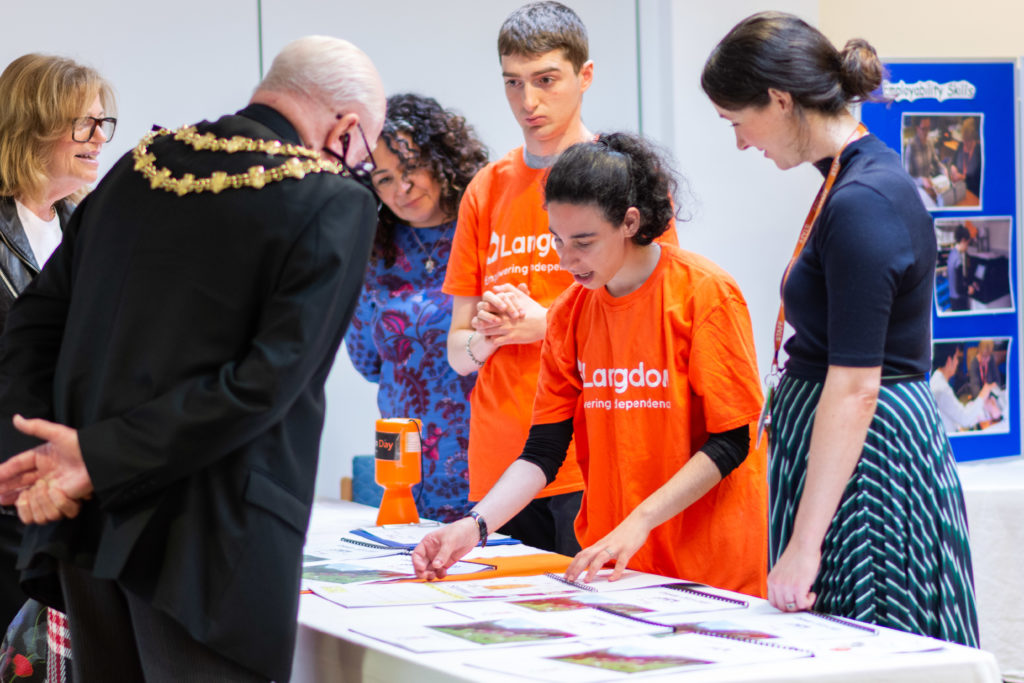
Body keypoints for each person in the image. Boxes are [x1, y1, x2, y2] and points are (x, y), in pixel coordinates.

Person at [0, 35, 385, 682]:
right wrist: (92, 458)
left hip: (88, 536)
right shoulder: (333, 202)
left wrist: (44, 453)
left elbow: (33, 321)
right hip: (212, 546)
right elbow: (264, 385)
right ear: (346, 129)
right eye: (365, 154)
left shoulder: (139, 168)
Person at [702, 11, 979, 646]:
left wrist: (804, 544)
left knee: (866, 641)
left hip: (866, 470)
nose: (742, 143)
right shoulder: (845, 181)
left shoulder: (863, 202)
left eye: (737, 123)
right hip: (843, 463)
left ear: (779, 99)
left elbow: (855, 387)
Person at [414, 132, 768, 597]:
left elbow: (733, 439)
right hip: (616, 569)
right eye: (557, 241)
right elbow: (543, 452)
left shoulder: (704, 294)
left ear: (630, 221)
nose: (567, 260)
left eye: (583, 241)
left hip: (710, 569)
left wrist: (639, 520)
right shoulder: (570, 313)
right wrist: (473, 527)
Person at [442, 1, 677, 554]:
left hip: (589, 459)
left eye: (546, 80)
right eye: (513, 83)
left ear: (584, 76)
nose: (529, 101)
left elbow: (650, 328)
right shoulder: (486, 188)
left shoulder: (627, 180)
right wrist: (488, 338)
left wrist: (541, 324)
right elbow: (457, 351)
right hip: (501, 465)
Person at [0, 52, 116, 680]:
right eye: (83, 125)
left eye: (105, 124)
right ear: (31, 125)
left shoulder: (88, 226)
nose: (100, 140)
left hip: (60, 493)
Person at [345, 93, 488, 522]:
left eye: (411, 169)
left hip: (483, 455)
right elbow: (368, 362)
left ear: (443, 159)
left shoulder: (485, 232)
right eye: (384, 179)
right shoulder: (374, 253)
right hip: (403, 464)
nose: (401, 189)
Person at [930, 344, 999, 433]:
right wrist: (983, 394)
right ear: (949, 360)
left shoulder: (938, 380)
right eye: (956, 358)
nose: (957, 362)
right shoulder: (941, 388)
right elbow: (965, 419)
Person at [903, 116, 943, 207]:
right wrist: (921, 180)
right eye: (924, 129)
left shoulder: (930, 143)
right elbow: (906, 178)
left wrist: (944, 170)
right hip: (918, 191)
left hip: (931, 187)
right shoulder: (911, 147)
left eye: (928, 128)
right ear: (917, 128)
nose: (927, 132)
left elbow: (936, 162)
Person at [950, 117, 981, 199]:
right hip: (959, 190)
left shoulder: (979, 153)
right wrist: (953, 167)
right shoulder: (961, 145)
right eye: (964, 139)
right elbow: (953, 162)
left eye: (968, 140)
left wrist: (963, 178)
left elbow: (978, 182)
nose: (965, 143)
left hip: (972, 194)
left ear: (975, 139)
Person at [947, 224, 976, 311]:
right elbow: (959, 288)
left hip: (952, 298)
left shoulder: (952, 254)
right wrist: (969, 289)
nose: (967, 247)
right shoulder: (958, 260)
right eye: (968, 244)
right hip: (959, 301)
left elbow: (956, 278)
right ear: (963, 240)